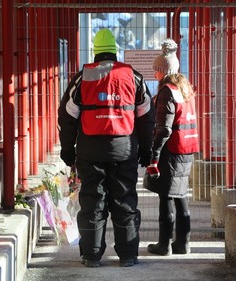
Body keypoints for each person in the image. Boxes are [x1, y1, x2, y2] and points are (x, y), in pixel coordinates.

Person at [57, 28, 155, 267]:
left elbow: (67, 117)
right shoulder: (133, 76)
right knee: (125, 202)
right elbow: (146, 116)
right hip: (125, 150)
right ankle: (128, 256)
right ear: (115, 50)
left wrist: (68, 149)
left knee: (92, 202)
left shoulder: (83, 78)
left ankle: (91, 256)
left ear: (95, 52)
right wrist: (146, 149)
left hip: (90, 152)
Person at [146, 39, 199, 256]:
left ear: (163, 71)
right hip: (187, 148)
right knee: (180, 195)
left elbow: (163, 129)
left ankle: (164, 244)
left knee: (166, 195)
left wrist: (154, 156)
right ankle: (183, 243)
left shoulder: (167, 92)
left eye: (156, 71)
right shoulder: (184, 88)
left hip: (171, 150)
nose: (155, 75)